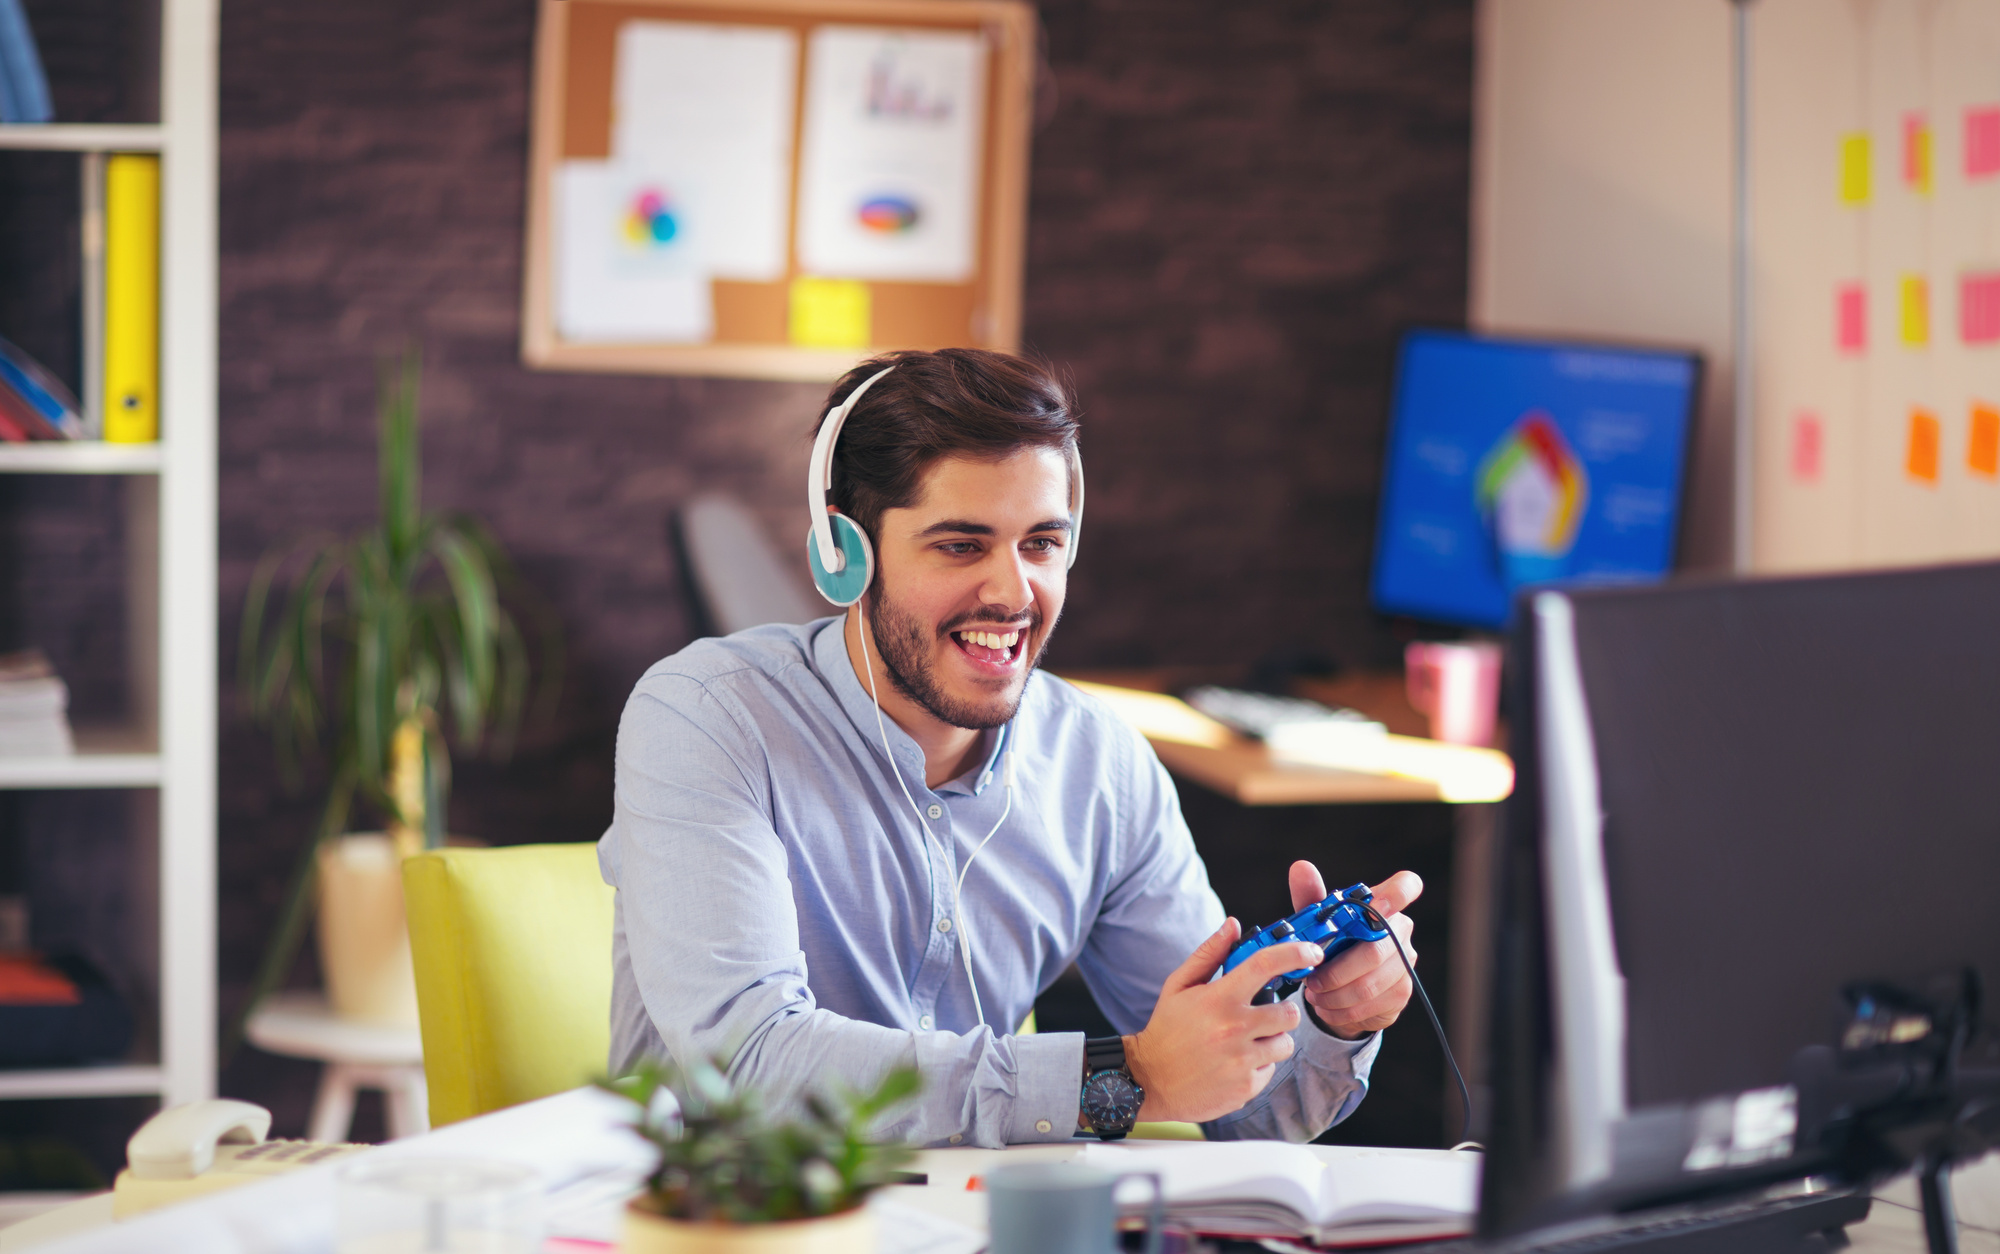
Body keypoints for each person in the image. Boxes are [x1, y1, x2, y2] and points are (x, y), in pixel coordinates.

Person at [599, 348, 1423, 1147]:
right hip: (727, 1221)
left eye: (1041, 544)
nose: (1011, 592)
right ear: (846, 555)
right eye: (961, 545)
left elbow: (1245, 1112)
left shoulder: (1100, 767)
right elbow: (748, 1065)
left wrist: (1322, 1021)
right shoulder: (706, 716)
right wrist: (1129, 1077)